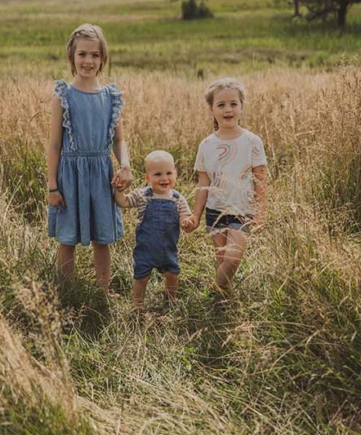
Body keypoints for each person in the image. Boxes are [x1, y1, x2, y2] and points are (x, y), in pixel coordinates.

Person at [47, 23, 133, 293]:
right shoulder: (64, 96)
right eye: (82, 54)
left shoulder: (110, 96)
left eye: (95, 55)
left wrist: (125, 166)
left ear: (103, 59)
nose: (88, 60)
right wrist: (52, 185)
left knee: (102, 238)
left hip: (101, 175)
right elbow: (54, 145)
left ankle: (102, 292)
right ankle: (67, 291)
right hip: (70, 175)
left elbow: (119, 140)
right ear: (72, 56)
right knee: (67, 237)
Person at [185, 78, 267, 296]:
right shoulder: (207, 145)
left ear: (241, 106)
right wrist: (196, 214)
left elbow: (260, 178)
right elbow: (203, 183)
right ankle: (224, 301)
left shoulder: (252, 141)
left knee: (232, 260)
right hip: (215, 210)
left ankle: (215, 290)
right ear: (211, 109)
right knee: (221, 259)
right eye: (221, 105)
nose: (228, 109)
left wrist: (260, 213)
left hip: (243, 210)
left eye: (233, 103)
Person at [113, 150, 193, 310]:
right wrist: (119, 191)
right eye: (158, 174)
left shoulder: (178, 198)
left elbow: (186, 216)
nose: (164, 178)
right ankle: (137, 305)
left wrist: (186, 222)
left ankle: (171, 300)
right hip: (145, 248)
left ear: (175, 174)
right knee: (141, 278)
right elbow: (123, 202)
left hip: (168, 248)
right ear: (147, 178)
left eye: (169, 173)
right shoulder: (142, 195)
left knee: (172, 274)